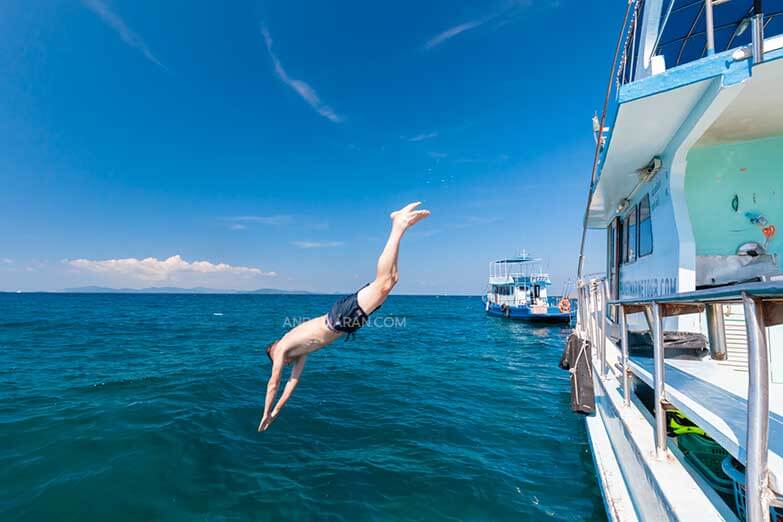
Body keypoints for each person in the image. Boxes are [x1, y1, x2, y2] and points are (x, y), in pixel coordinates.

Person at [258, 202, 430, 431]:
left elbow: (274, 382)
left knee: (383, 283)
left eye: (274, 355)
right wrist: (276, 412)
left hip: (338, 317)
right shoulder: (300, 352)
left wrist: (265, 411)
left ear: (275, 349)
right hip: (345, 323)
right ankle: (399, 227)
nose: (279, 360)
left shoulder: (281, 348)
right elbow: (292, 383)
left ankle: (397, 224)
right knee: (391, 280)